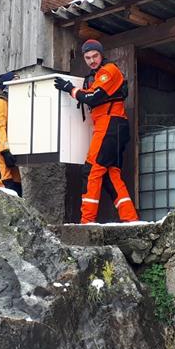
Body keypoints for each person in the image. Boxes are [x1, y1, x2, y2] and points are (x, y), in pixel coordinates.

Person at [53, 39, 138, 223]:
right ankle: (130, 218)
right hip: (114, 127)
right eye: (88, 57)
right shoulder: (98, 75)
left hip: (109, 125)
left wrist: (70, 89)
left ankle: (87, 221)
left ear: (101, 55)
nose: (92, 60)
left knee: (91, 170)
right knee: (111, 174)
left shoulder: (108, 71)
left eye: (95, 56)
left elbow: (92, 97)